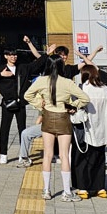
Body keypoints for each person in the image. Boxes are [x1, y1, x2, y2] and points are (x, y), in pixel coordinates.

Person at [24, 57, 90, 202]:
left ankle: (46, 190)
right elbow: (85, 98)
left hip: (47, 117)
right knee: (64, 155)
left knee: (47, 155)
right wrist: (73, 105)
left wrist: (39, 104)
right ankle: (67, 192)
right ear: (61, 67)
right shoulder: (67, 82)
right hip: (63, 118)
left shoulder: (41, 80)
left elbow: (27, 95)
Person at [0, 36, 50, 165]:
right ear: (5, 56)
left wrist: (42, 50)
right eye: (10, 55)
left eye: (15, 55)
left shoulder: (23, 68)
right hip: (7, 103)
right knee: (4, 128)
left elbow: (38, 63)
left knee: (22, 129)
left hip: (20, 104)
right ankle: (3, 154)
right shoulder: (1, 69)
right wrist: (1, 75)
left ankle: (23, 155)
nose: (13, 57)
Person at [71, 65, 107, 199]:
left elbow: (75, 104)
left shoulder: (83, 88)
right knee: (99, 158)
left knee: (83, 159)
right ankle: (100, 187)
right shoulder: (105, 89)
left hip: (86, 129)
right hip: (103, 129)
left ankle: (84, 188)